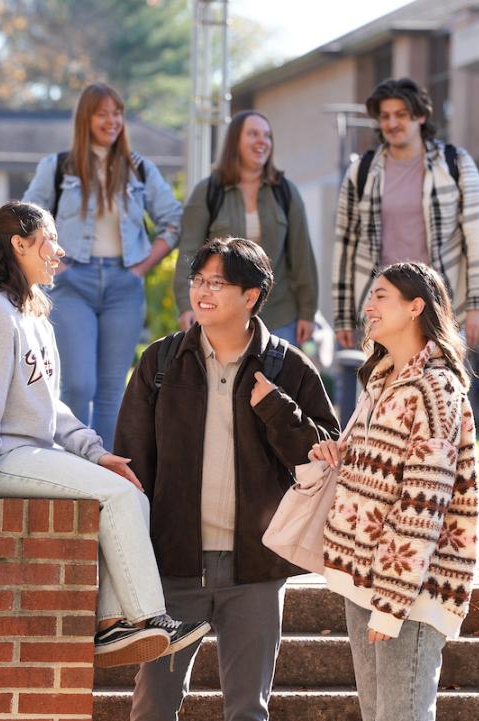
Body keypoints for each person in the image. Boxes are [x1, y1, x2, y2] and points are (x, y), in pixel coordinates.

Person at [0, 200, 209, 669]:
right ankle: (149, 617)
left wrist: (95, 453)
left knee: (126, 490)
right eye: (50, 238)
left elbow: (51, 406)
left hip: (27, 450)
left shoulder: (31, 312)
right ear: (19, 244)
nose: (59, 250)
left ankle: (112, 625)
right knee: (120, 497)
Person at [117, 237, 339, 721]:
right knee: (153, 707)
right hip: (174, 567)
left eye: (218, 282)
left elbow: (325, 459)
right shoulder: (159, 363)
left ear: (252, 296)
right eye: (198, 281)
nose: (203, 292)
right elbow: (130, 466)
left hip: (255, 571)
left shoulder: (288, 366)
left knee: (247, 711)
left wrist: (277, 409)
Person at [312, 261, 479, 721]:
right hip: (361, 575)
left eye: (381, 296)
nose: (368, 306)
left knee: (401, 715)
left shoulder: (435, 388)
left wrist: (391, 605)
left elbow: (423, 504)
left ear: (415, 307)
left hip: (410, 588)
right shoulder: (382, 379)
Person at [22, 82, 182, 448]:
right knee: (79, 384)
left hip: (124, 285)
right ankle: (71, 466)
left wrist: (142, 268)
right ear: (86, 118)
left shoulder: (138, 169)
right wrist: (56, 266)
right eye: (102, 113)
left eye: (117, 113)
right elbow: (26, 218)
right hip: (72, 282)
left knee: (111, 391)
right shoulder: (58, 167)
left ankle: (102, 477)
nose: (112, 121)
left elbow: (173, 220)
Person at [333, 77, 479, 351]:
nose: (392, 123)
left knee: (441, 389)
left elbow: (478, 234)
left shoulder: (455, 164)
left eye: (401, 115)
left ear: (420, 116)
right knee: (382, 390)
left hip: (441, 304)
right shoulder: (362, 172)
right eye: (385, 116)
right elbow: (345, 244)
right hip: (383, 308)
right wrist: (342, 315)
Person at [174, 110, 319, 347]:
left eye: (267, 135)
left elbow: (302, 256)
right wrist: (185, 304)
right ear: (234, 141)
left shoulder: (285, 192)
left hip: (279, 316)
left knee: (274, 384)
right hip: (220, 313)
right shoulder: (208, 192)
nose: (262, 141)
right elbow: (188, 253)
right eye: (253, 134)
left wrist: (307, 311)